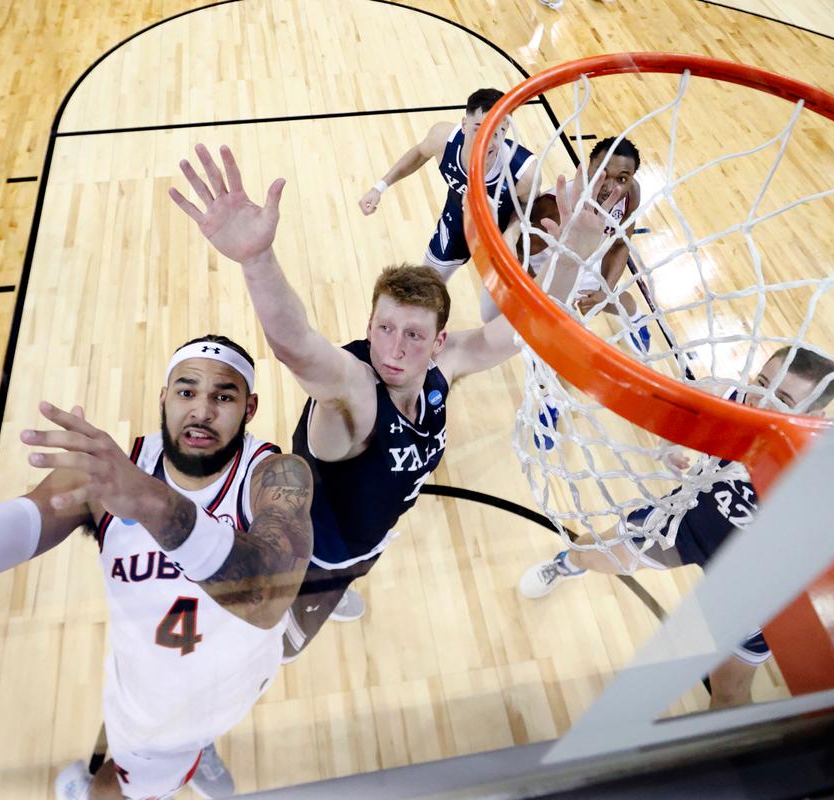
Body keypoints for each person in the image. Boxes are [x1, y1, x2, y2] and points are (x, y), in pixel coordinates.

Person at [170, 144, 608, 660]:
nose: (395, 349)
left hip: (366, 539)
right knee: (278, 651)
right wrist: (257, 260)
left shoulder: (444, 367)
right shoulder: (353, 391)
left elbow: (523, 330)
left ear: (439, 343)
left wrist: (572, 257)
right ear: (369, 327)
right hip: (312, 557)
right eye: (384, 329)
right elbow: (299, 347)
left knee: (358, 557)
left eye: (414, 336)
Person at [0, 328, 314, 800]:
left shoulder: (275, 475)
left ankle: (182, 758)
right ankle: (197, 753)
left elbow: (266, 598)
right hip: (160, 672)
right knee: (150, 693)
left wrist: (151, 501)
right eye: (186, 391)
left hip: (179, 716)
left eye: (223, 397)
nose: (201, 411)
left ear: (249, 409)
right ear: (163, 397)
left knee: (109, 790)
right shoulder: (106, 474)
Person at [518, 346, 834, 708]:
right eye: (762, 383)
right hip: (687, 524)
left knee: (730, 694)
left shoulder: (826, 471)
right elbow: (677, 425)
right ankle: (567, 563)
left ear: (815, 415)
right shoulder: (732, 400)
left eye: (782, 399)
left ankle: (731, 758)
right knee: (591, 554)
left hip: (754, 583)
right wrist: (670, 447)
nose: (763, 402)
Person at [358, 88, 539, 319]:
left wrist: (512, 235)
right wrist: (379, 187)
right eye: (479, 128)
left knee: (491, 317)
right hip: (456, 225)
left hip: (498, 238)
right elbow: (419, 154)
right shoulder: (443, 139)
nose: (487, 140)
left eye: (497, 131)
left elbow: (528, 207)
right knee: (424, 292)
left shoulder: (524, 172)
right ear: (464, 124)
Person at [517, 136, 648, 351]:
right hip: (546, 266)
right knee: (548, 332)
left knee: (616, 299)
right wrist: (537, 297)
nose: (608, 186)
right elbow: (520, 252)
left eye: (622, 179)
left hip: (583, 256)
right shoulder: (555, 207)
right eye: (602, 173)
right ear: (589, 165)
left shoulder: (630, 194)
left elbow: (620, 245)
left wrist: (605, 291)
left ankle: (635, 319)